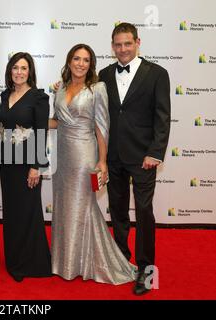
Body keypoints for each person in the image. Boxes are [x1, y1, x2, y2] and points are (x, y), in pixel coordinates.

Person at [50, 44, 136, 285]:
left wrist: (102, 160)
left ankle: (83, 262)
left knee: (81, 205)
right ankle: (64, 260)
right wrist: (29, 122)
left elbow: (102, 126)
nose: (80, 64)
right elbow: (57, 121)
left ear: (91, 64)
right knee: (65, 205)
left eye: (85, 60)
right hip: (63, 155)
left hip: (84, 154)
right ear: (69, 61)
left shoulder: (97, 88)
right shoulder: (61, 87)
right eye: (76, 59)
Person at [98, 23, 170, 295]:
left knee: (144, 212)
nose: (123, 49)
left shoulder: (157, 73)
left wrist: (156, 152)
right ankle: (119, 259)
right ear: (112, 45)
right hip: (114, 155)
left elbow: (162, 117)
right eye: (118, 44)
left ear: (137, 42)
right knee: (117, 212)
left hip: (143, 157)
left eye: (127, 43)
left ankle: (146, 269)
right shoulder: (103, 74)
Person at [0, 52, 52, 282]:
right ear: (10, 71)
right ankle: (14, 258)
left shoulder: (39, 97)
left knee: (27, 211)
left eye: (24, 68)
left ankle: (32, 263)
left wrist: (36, 166)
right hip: (7, 162)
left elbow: (41, 130)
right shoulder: (4, 95)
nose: (19, 72)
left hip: (27, 163)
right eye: (15, 68)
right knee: (12, 211)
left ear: (30, 72)